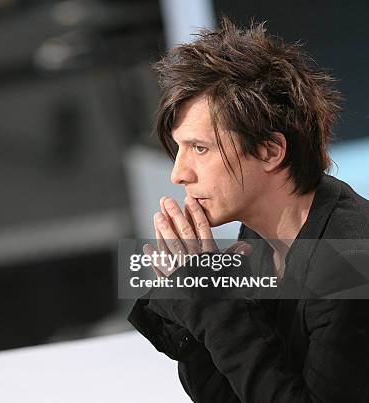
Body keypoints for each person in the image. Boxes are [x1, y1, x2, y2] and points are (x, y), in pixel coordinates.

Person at [127, 18, 369, 402]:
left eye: (200, 149)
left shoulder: (348, 266)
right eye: (180, 149)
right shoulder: (262, 231)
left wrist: (212, 305)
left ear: (270, 151)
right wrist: (197, 297)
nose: (178, 173)